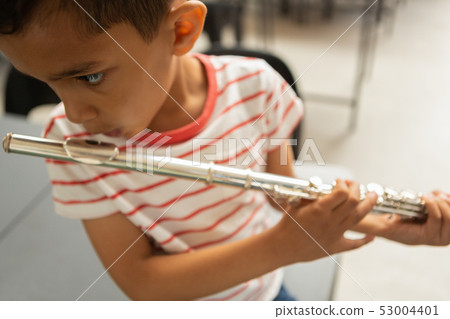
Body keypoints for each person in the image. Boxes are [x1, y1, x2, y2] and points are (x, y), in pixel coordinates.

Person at [0, 0, 448, 301]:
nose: (75, 113)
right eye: (47, 81)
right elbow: (140, 280)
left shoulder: (258, 87)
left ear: (180, 29)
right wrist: (282, 246)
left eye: (90, 77)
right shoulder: (70, 143)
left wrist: (390, 224)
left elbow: (285, 194)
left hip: (266, 290)